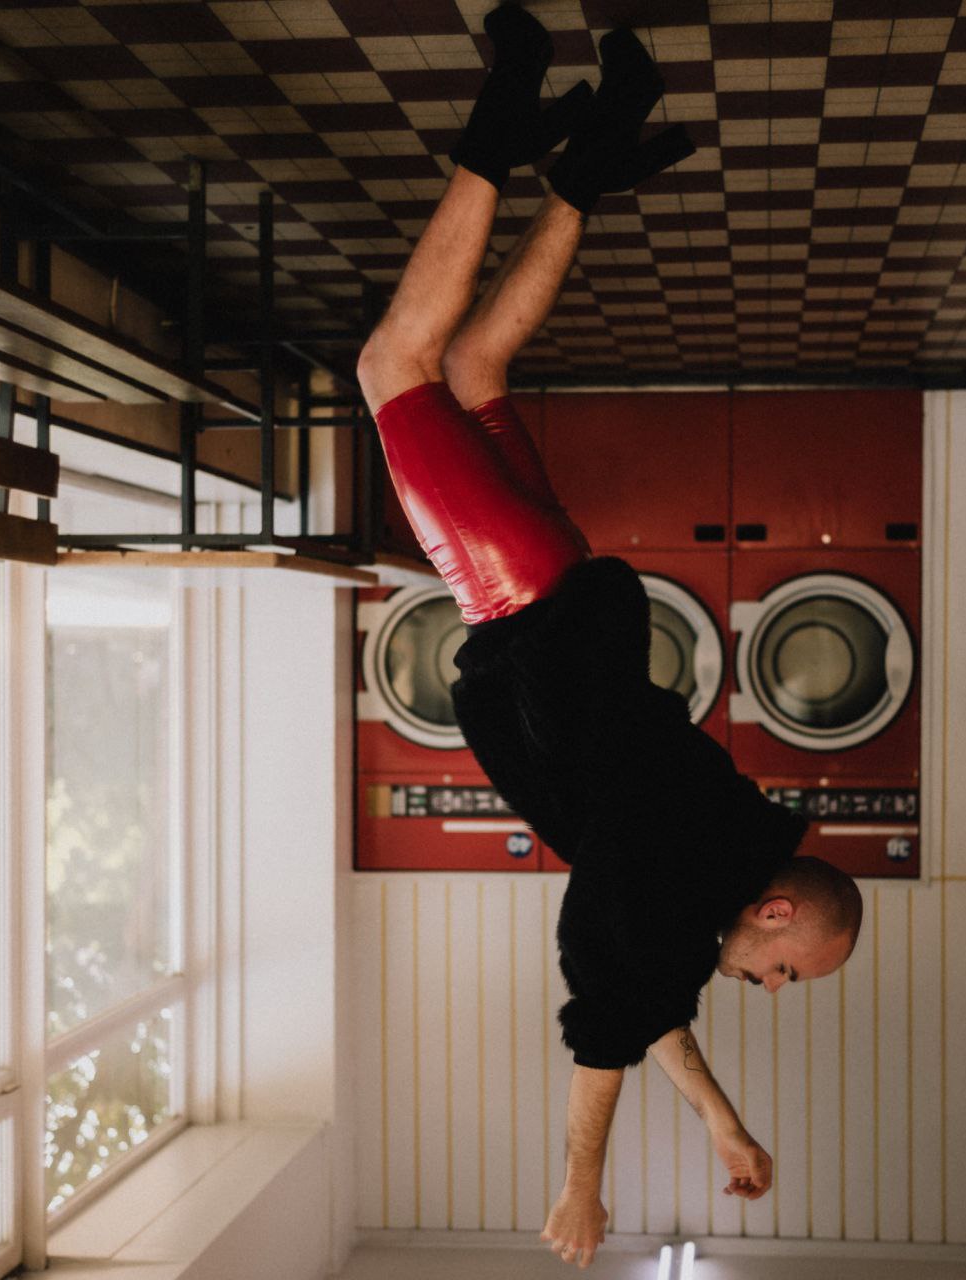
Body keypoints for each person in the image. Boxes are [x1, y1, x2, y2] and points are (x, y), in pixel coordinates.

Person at [355, 6, 864, 1268]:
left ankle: (583, 164)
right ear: (773, 909)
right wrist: (579, 1183)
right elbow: (615, 1014)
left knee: (475, 370)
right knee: (393, 365)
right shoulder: (685, 891)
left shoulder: (710, 872)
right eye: (790, 970)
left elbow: (654, 991)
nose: (775, 991)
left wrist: (722, 1122)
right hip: (515, 597)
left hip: (568, 590)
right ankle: (515, 96)